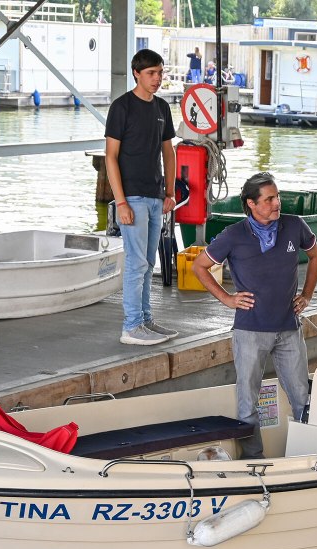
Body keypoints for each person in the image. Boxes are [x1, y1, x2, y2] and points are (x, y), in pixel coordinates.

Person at [190, 173, 317, 459]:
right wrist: (227, 298)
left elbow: (316, 255)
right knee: (248, 402)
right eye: (270, 199)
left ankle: (309, 455)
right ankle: (254, 460)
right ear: (251, 203)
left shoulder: (294, 225)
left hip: (289, 327)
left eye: (277, 196)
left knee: (302, 396)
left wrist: (307, 295)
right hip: (249, 331)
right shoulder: (233, 235)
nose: (278, 203)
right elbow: (199, 266)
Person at [105, 48, 179, 346]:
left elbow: (168, 152)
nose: (157, 78)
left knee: (149, 263)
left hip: (155, 195)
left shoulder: (162, 108)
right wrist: (120, 202)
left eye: (160, 73)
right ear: (137, 73)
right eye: (151, 73)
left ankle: (146, 320)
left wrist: (170, 192)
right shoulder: (121, 107)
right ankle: (131, 326)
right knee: (136, 263)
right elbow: (111, 156)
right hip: (132, 197)